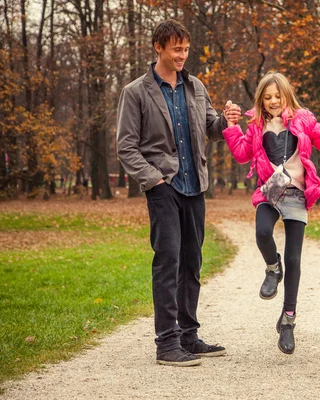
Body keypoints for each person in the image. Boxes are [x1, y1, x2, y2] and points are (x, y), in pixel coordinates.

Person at [116, 19, 241, 367]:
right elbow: (126, 147)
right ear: (159, 47)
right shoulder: (136, 92)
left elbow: (211, 128)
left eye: (186, 49)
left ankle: (188, 335)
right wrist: (153, 178)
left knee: (192, 261)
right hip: (163, 188)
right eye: (176, 49)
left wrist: (227, 121)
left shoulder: (196, 87)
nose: (182, 55)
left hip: (195, 186)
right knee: (168, 261)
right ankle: (166, 343)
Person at [223, 71, 320, 354]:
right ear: (261, 100)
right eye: (268, 97)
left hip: (296, 193)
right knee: (262, 232)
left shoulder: (303, 120)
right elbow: (240, 154)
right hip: (270, 191)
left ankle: (287, 321)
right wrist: (232, 125)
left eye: (278, 96)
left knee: (294, 258)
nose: (273, 101)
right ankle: (273, 268)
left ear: (287, 96)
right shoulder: (257, 126)